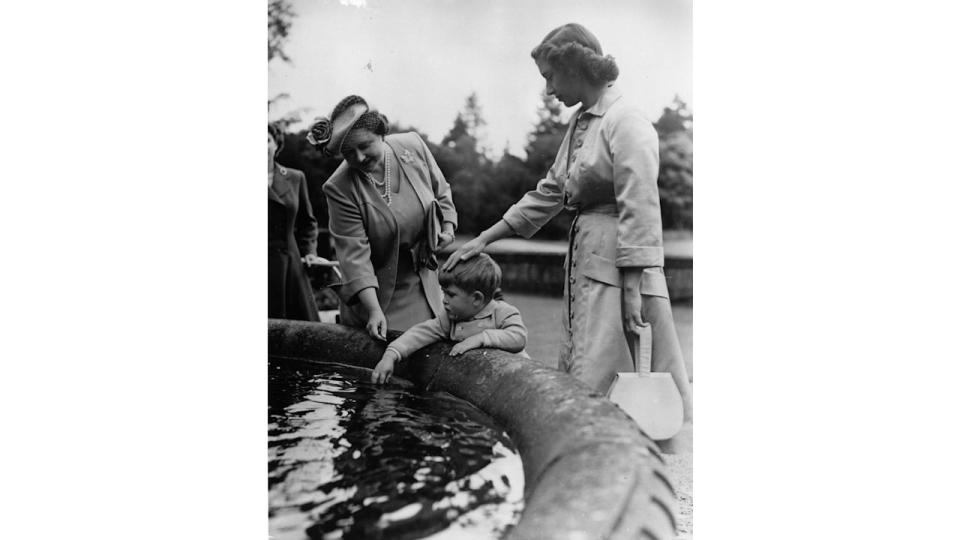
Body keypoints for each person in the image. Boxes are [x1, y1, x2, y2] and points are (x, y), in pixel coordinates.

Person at [444, 23, 693, 428]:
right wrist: (485, 239)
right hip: (588, 261)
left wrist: (632, 287)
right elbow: (549, 192)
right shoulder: (581, 123)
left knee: (618, 368)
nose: (548, 90)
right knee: (589, 368)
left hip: (620, 267)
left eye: (550, 77)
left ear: (576, 67)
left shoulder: (625, 119)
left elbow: (642, 207)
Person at [310, 96, 458, 340]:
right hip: (380, 297)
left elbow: (441, 191)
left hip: (427, 283)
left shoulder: (413, 145)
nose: (358, 158)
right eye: (348, 153)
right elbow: (354, 258)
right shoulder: (339, 188)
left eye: (365, 145)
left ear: (381, 133)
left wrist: (448, 229)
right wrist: (374, 310)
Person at [372, 253, 527, 384]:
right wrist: (391, 355)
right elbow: (420, 333)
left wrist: (482, 338)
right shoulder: (450, 319)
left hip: (514, 381)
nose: (444, 300)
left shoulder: (502, 313)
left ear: (476, 299)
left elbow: (519, 337)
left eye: (451, 294)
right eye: (443, 292)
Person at [268, 123, 326, 321]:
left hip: (290, 266)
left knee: (299, 331)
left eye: (266, 140)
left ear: (276, 145)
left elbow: (307, 223)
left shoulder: (295, 177)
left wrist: (309, 252)